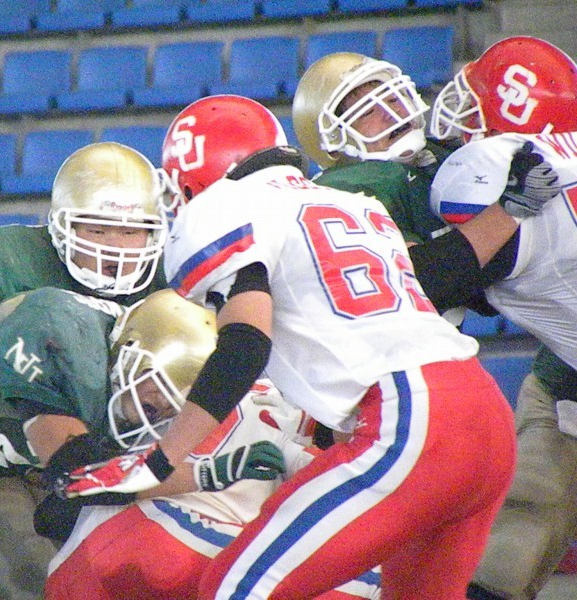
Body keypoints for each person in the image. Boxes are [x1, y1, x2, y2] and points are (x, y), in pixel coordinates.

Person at [57, 94, 521, 598]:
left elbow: (245, 344)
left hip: (412, 416)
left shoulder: (225, 206)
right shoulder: (357, 205)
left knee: (237, 589)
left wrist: (161, 460)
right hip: (485, 416)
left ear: (194, 180)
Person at [0, 286, 273, 599]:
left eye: (168, 412)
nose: (150, 416)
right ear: (131, 349)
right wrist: (208, 473)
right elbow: (79, 476)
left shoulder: (127, 353)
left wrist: (211, 472)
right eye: (154, 397)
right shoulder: (60, 332)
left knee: (41, 583)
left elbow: (77, 498)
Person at [426, 35, 577, 600]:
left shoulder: (497, 171)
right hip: (565, 373)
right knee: (523, 519)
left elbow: (432, 281)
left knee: (519, 531)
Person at [46, 376, 382, 600]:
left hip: (102, 548)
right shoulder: (274, 401)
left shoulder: (266, 395)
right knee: (367, 578)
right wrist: (206, 473)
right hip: (155, 536)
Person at [291, 51, 544, 316]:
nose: (392, 112)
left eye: (393, 98)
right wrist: (509, 210)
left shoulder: (434, 158)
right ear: (334, 142)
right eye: (367, 112)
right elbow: (423, 281)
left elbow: (485, 293)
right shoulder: (346, 189)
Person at [0, 141, 169, 361]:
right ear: (64, 228)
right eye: (97, 230)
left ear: (153, 234)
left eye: (130, 233)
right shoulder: (2, 261)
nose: (115, 248)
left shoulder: (169, 277)